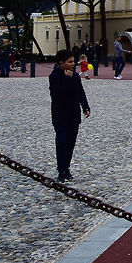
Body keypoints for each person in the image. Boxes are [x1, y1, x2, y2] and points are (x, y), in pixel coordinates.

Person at [48, 49, 91, 182]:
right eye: (70, 62)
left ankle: (66, 168)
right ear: (61, 63)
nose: (73, 64)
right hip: (60, 114)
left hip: (73, 114)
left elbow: (80, 92)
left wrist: (85, 107)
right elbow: (57, 94)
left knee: (71, 143)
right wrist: (66, 79)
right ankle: (61, 170)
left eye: (73, 61)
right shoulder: (54, 76)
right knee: (61, 143)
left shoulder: (76, 76)